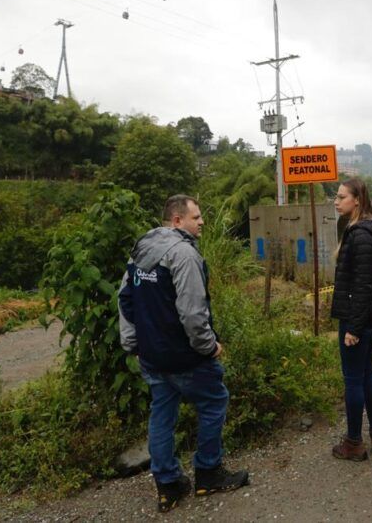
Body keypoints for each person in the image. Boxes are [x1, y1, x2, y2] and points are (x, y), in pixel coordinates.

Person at [118, 195, 249, 513]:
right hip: (186, 356)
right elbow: (193, 313)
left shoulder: (140, 252)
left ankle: (168, 485)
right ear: (177, 220)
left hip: (152, 357)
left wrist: (132, 345)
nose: (202, 221)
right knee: (214, 402)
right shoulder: (184, 254)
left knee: (162, 415)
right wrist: (209, 346)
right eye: (196, 217)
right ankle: (208, 472)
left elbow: (125, 301)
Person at [330, 178, 372, 461]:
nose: (336, 200)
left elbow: (363, 285)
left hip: (359, 318)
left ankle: (354, 442)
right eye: (337, 196)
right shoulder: (360, 230)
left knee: (353, 378)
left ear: (357, 200)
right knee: (366, 372)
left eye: (342, 197)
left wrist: (353, 327)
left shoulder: (361, 236)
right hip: (368, 316)